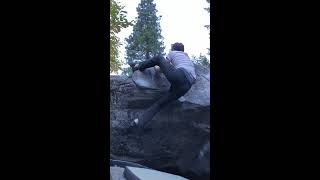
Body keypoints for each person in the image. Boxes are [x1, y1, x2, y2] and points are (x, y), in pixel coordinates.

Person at [130, 42, 196, 131]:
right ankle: (139, 121)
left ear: (173, 49)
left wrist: (155, 69)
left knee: (158, 57)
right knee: (160, 104)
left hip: (180, 76)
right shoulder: (187, 59)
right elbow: (170, 69)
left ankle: (137, 66)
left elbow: (159, 68)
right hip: (187, 86)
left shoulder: (172, 53)